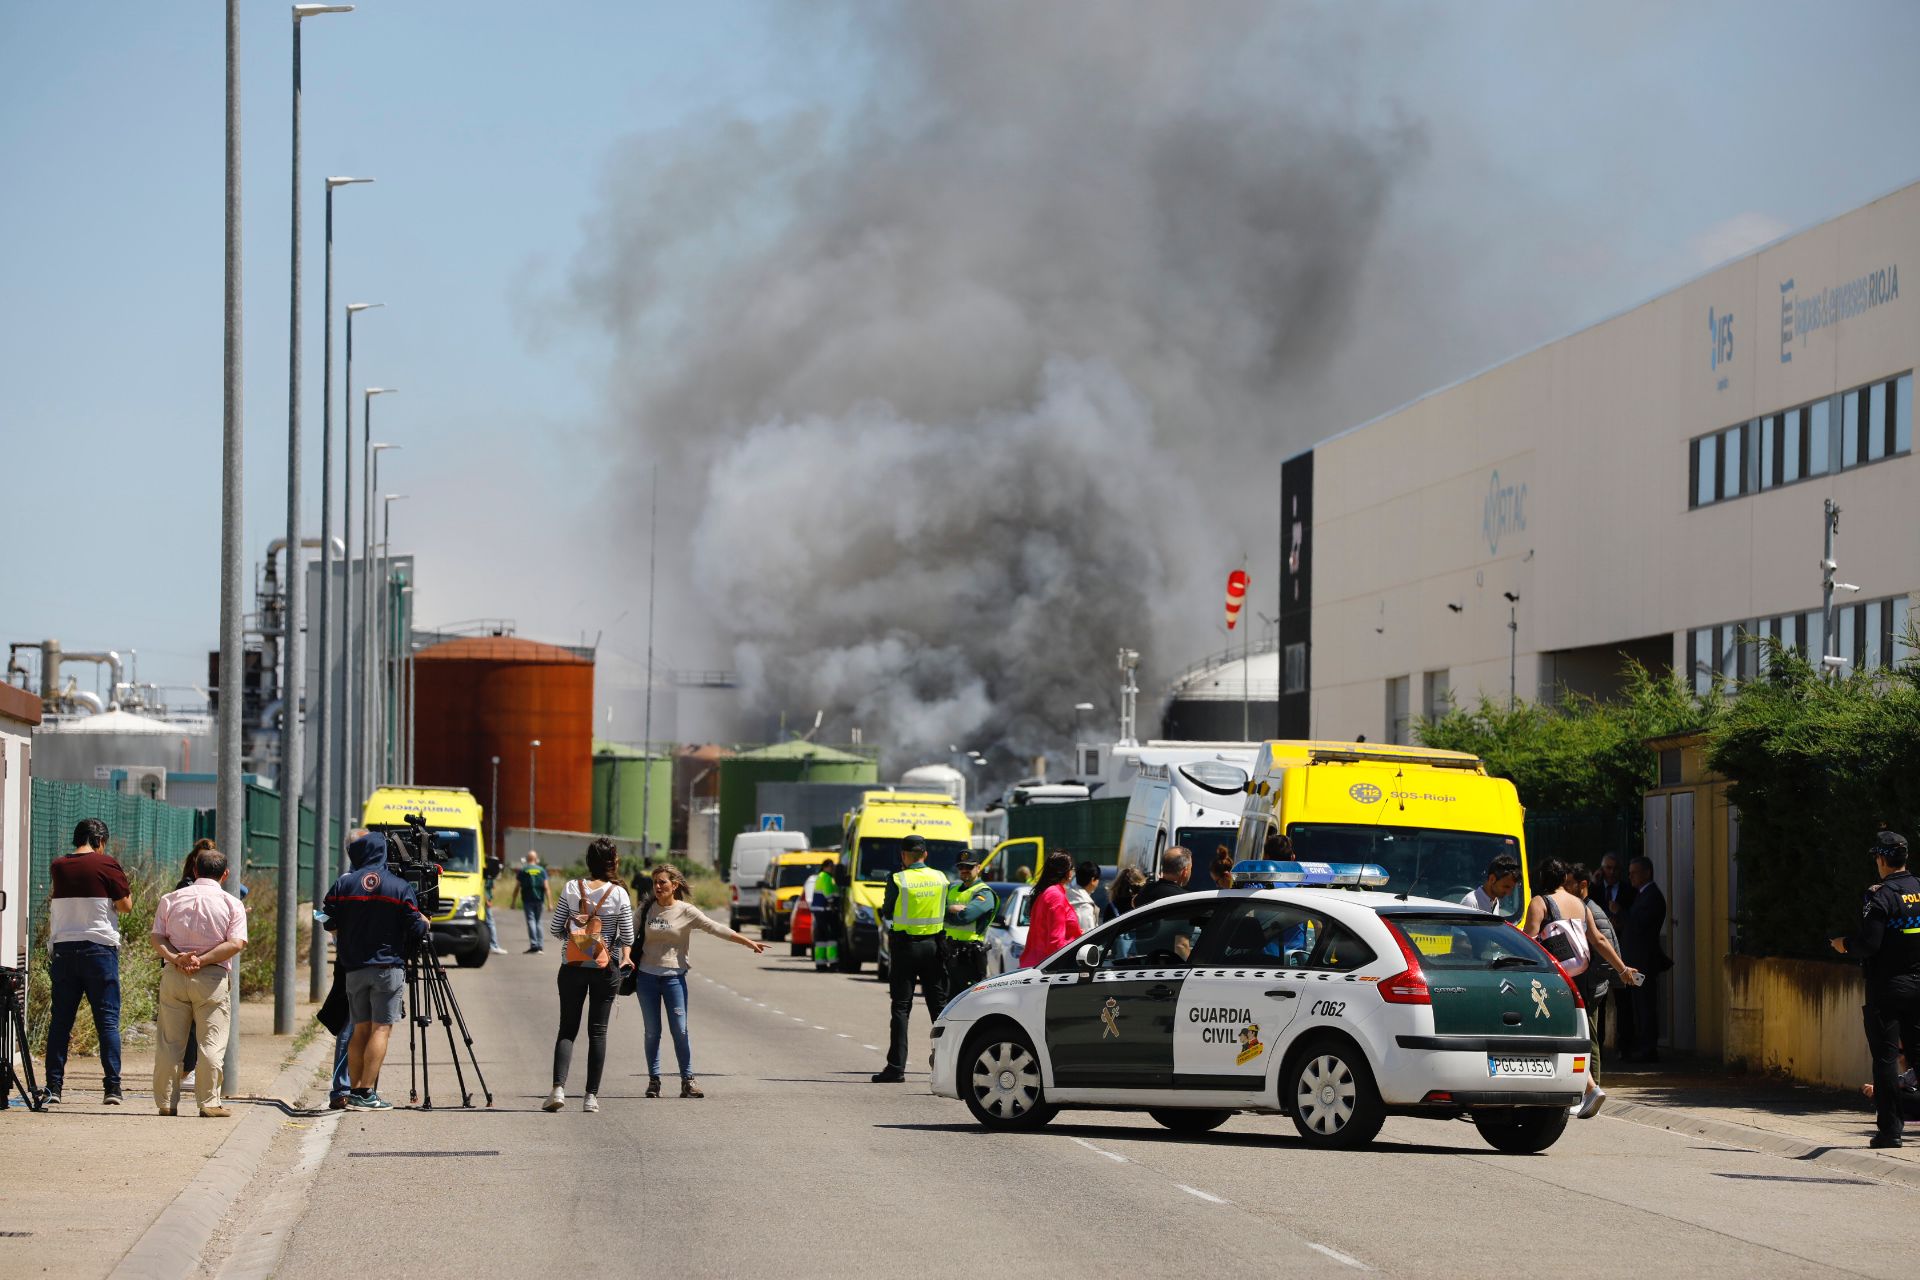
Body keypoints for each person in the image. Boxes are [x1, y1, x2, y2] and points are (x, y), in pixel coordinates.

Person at [634, 862, 765, 1097]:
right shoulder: (646, 909)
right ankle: (654, 1081)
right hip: (646, 977)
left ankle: (688, 1081)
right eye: (655, 883)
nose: (657, 887)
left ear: (674, 885)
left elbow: (715, 927)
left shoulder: (686, 911)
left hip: (674, 977)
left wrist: (748, 942)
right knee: (652, 1031)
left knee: (680, 1031)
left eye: (662, 882)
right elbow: (626, 933)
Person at [1524, 857, 1639, 1119]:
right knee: (1576, 1033)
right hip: (1581, 976)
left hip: (1555, 977)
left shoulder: (1540, 903)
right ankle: (1586, 1088)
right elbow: (1598, 939)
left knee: (1558, 1034)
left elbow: (1529, 941)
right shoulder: (1579, 903)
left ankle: (1587, 1089)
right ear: (1565, 878)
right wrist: (1622, 969)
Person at [322, 831, 429, 1111]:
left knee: (360, 1030)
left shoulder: (344, 884)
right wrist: (425, 922)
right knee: (381, 1028)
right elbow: (415, 928)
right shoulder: (398, 886)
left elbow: (327, 918)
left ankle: (354, 1090)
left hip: (354, 968)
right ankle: (366, 1092)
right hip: (387, 967)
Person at [1830, 830, 1920, 1149]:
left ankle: (1890, 1131)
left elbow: (1869, 944)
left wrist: (1844, 945)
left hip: (1887, 988)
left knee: (1885, 1058)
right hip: (1918, 985)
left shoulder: (1879, 895)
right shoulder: (1918, 889)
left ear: (1881, 860)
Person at [149, 846, 248, 1117]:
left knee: (170, 1042)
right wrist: (201, 961)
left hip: (174, 973)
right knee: (211, 1042)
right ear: (225, 874)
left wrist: (178, 958)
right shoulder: (232, 904)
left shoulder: (170, 898)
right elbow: (236, 943)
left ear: (194, 870)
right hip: (212, 978)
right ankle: (208, 1103)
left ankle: (166, 1103)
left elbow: (157, 937)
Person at [44, 817, 132, 1106]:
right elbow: (125, 905)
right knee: (107, 1021)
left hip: (65, 949)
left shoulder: (58, 866)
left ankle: (53, 1087)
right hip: (99, 951)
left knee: (60, 1022)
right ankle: (112, 1088)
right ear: (101, 841)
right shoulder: (106, 864)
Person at [543, 838, 633, 1114]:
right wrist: (604, 947)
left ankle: (558, 1089)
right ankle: (590, 1097)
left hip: (571, 967)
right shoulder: (619, 894)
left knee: (567, 1029)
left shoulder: (572, 887)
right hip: (605, 970)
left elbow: (556, 928)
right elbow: (627, 936)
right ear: (613, 862)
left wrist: (579, 940)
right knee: (598, 1032)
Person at [871, 834, 952, 1084]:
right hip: (934, 947)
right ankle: (948, 1066)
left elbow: (887, 910)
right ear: (925, 855)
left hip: (906, 948)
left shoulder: (898, 879)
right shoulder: (941, 878)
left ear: (903, 855)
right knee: (939, 1009)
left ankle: (896, 1068)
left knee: (901, 1007)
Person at [172, 838, 217, 1091]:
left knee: (204, 1022)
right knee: (188, 1024)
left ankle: (194, 1069)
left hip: (205, 962)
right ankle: (187, 1070)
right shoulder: (184, 889)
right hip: (185, 961)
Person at [1617, 855, 1670, 1062]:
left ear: (1647, 873)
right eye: (1629, 873)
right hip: (1635, 960)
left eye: (1634, 873)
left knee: (1645, 1005)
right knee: (1638, 1005)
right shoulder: (1641, 895)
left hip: (1643, 961)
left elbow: (1641, 924)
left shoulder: (1652, 896)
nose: (1630, 877)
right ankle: (1642, 1045)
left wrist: (1621, 912)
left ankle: (1649, 1047)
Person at [944, 854, 997, 992]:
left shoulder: (984, 893)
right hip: (949, 954)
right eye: (961, 866)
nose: (964, 869)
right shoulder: (952, 889)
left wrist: (945, 914)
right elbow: (936, 911)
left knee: (969, 1004)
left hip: (969, 957)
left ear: (978, 868)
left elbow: (966, 917)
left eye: (969, 866)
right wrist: (951, 909)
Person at [1023, 851, 1082, 969]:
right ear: (1067, 872)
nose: (1073, 872)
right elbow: (1056, 943)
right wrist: (1078, 942)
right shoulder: (1055, 895)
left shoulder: (1045, 893)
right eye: (1072, 868)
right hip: (1049, 970)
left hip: (1037, 965)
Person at [511, 850, 550, 954]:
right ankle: (540, 945)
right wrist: (550, 902)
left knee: (531, 921)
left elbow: (517, 888)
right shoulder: (541, 870)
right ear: (536, 859)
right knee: (538, 922)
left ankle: (534, 945)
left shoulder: (523, 870)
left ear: (527, 859)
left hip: (528, 899)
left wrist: (513, 901)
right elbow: (546, 887)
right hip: (539, 899)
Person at [811, 858, 841, 971]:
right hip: (825, 911)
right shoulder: (826, 877)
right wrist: (833, 904)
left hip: (820, 911)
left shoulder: (821, 876)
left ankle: (820, 963)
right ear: (826, 866)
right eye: (831, 866)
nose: (833, 869)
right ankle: (833, 962)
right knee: (831, 937)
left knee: (821, 938)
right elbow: (828, 893)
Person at [483, 851, 508, 955]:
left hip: (487, 900)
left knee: (486, 923)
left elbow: (492, 887)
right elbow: (482, 888)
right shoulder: (485, 873)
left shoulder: (487, 872)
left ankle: (490, 944)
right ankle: (493, 945)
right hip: (485, 901)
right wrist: (486, 900)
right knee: (490, 923)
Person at [1067, 860, 1101, 933]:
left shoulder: (1068, 896)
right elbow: (1088, 935)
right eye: (1098, 879)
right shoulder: (1085, 905)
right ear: (1093, 880)